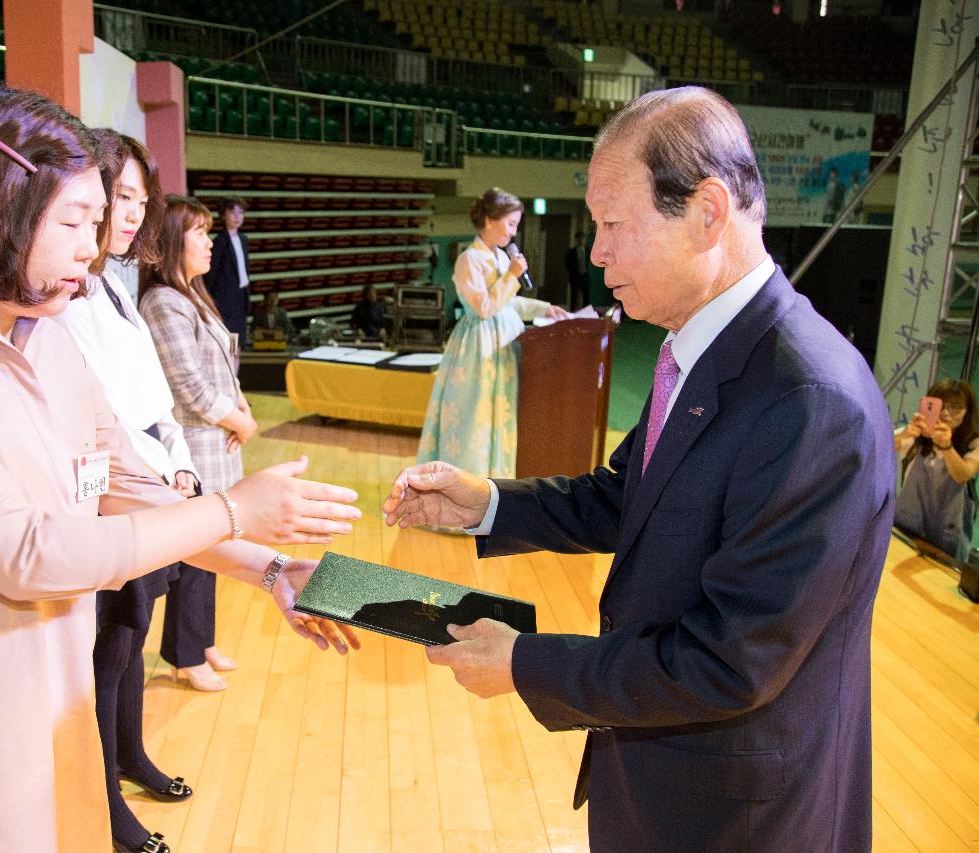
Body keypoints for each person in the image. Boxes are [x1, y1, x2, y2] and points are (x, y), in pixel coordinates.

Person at [0, 87, 361, 853]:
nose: (93, 245)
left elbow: (123, 490)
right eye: (74, 221)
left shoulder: (45, 335)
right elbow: (24, 553)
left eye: (98, 222)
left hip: (49, 679)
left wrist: (271, 568)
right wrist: (233, 510)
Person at [383, 87, 895, 851]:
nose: (596, 252)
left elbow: (730, 659)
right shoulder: (702, 343)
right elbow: (632, 497)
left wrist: (527, 661)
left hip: (736, 813)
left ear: (708, 210)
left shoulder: (809, 399)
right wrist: (485, 501)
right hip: (661, 771)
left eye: (615, 224)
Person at [48, 130, 198, 852]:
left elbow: (150, 395)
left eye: (142, 198)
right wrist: (161, 475)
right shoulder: (68, 292)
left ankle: (130, 754)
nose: (132, 212)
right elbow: (100, 411)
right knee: (110, 649)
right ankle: (104, 799)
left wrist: (177, 460)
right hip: (110, 494)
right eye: (119, 197)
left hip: (151, 477)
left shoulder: (116, 281)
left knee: (132, 638)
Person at [140, 196, 255, 693]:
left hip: (217, 439)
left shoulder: (191, 293)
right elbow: (186, 384)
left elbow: (223, 370)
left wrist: (243, 410)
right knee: (195, 553)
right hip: (195, 443)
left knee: (214, 545)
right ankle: (185, 656)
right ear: (173, 241)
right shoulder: (163, 300)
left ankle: (200, 641)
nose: (210, 243)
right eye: (200, 234)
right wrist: (239, 420)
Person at [416, 188, 568, 482]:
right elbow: (485, 307)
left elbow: (507, 304)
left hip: (505, 344)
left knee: (500, 415)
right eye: (510, 224)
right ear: (489, 220)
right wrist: (512, 275)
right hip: (479, 348)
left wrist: (546, 308)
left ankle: (494, 490)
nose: (514, 232)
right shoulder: (469, 260)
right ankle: (462, 489)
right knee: (475, 418)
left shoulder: (500, 257)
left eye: (516, 225)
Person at [894, 379, 979, 561]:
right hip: (905, 530)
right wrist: (906, 434)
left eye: (956, 407)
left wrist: (946, 447)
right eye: (940, 405)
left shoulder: (974, 444)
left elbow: (963, 474)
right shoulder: (916, 437)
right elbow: (877, 447)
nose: (946, 413)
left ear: (968, 411)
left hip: (947, 540)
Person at [206, 195, 251, 348]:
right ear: (223, 215)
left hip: (240, 297)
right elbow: (210, 275)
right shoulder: (219, 241)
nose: (237, 216)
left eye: (240, 212)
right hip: (224, 301)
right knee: (228, 346)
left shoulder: (244, 239)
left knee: (239, 346)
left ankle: (236, 373)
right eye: (232, 212)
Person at [563, 230, 589, 309]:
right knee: (574, 295)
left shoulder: (588, 250)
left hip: (585, 275)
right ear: (576, 240)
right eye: (579, 238)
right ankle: (573, 311)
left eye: (583, 238)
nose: (581, 240)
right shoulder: (571, 252)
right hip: (575, 276)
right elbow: (567, 264)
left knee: (586, 295)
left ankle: (586, 311)